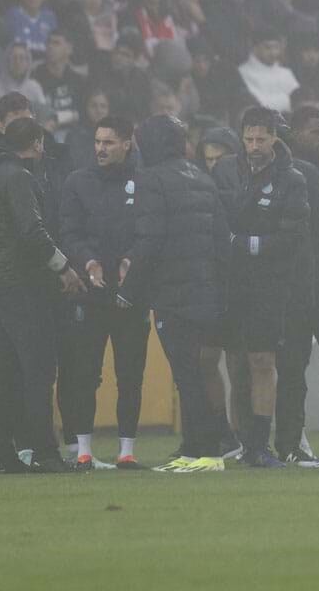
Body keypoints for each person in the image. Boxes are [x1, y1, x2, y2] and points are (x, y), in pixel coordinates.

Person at [0, 117, 86, 474]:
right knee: (39, 370)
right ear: (36, 144)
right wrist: (63, 268)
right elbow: (31, 232)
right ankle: (45, 452)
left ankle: (3, 456)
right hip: (21, 286)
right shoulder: (18, 176)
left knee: (1, 373)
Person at [117, 114, 230, 473]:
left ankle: (205, 452)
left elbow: (150, 240)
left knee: (186, 373)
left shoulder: (151, 179)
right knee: (196, 371)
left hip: (172, 293)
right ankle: (198, 447)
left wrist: (129, 291)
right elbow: (220, 238)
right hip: (206, 289)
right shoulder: (200, 176)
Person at [211, 107, 311, 469]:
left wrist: (243, 243)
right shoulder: (224, 170)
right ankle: (243, 442)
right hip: (230, 282)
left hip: (270, 285)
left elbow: (291, 238)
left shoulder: (292, 179)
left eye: (261, 139)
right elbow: (215, 220)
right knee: (235, 363)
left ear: (274, 138)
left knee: (263, 360)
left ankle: (260, 444)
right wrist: (244, 242)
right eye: (248, 138)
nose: (254, 145)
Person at [58, 115, 149, 470]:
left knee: (130, 375)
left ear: (128, 143)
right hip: (88, 294)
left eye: (108, 142)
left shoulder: (144, 182)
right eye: (97, 141)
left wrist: (132, 261)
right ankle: (83, 452)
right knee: (84, 374)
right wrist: (88, 261)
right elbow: (68, 231)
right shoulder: (77, 182)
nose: (100, 148)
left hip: (131, 295)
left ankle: (127, 452)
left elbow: (149, 232)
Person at [282, 105, 319, 462]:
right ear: (295, 135)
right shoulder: (292, 174)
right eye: (316, 133)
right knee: (293, 365)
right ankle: (294, 439)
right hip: (297, 288)